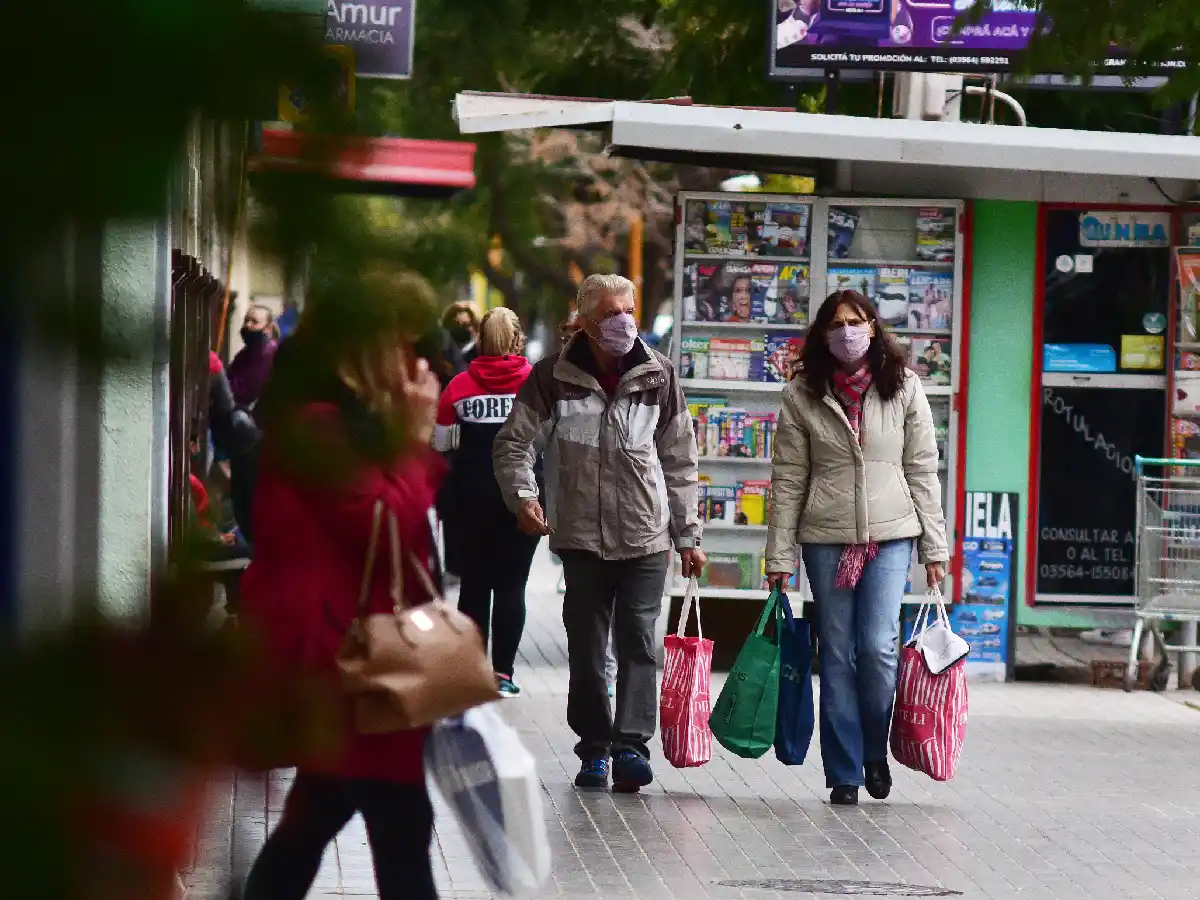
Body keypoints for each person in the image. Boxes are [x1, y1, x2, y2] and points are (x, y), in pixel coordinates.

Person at [239, 267, 445, 900]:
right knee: (400, 826)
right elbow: (380, 519)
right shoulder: (318, 426)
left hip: (356, 658)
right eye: (397, 346)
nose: (412, 365)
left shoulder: (337, 421)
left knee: (326, 820)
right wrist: (413, 442)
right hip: (349, 664)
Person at [493, 273, 705, 793]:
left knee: (638, 641)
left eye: (628, 310)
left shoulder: (659, 376)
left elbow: (679, 459)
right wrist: (523, 497)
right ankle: (593, 748)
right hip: (581, 537)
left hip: (645, 535)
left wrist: (688, 534)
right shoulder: (552, 378)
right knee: (587, 648)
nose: (623, 322)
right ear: (584, 321)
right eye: (610, 313)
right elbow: (514, 443)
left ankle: (631, 746)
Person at [764, 289, 948, 807]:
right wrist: (779, 556)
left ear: (873, 327)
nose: (848, 332)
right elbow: (789, 478)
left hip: (891, 535)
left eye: (858, 321)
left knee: (878, 648)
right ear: (824, 333)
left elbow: (922, 470)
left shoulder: (903, 386)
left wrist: (934, 548)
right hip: (826, 536)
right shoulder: (802, 393)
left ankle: (875, 749)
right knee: (838, 655)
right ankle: (843, 771)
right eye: (838, 323)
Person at [434, 307, 541, 698]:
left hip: (470, 500)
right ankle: (504, 674)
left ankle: (471, 671)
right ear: (517, 341)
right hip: (522, 501)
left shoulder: (459, 386)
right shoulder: (536, 384)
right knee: (513, 586)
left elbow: (441, 443)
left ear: (479, 339)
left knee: (474, 587)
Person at [227, 304, 279, 408]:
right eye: (246, 320)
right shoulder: (246, 352)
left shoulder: (268, 353)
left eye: (254, 322)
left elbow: (247, 392)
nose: (248, 325)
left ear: (268, 329)